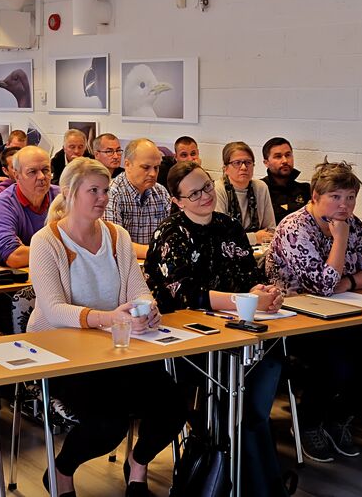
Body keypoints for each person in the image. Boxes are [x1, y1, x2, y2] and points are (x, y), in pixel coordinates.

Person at [28, 158, 187, 497]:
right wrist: (109, 318)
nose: (102, 198)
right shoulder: (46, 241)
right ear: (71, 194)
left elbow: (138, 288)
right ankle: (61, 470)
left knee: (174, 406)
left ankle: (138, 467)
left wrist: (148, 310)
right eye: (94, 191)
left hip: (115, 348)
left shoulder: (118, 236)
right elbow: (54, 310)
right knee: (109, 422)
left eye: (106, 190)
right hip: (61, 354)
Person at [144, 161, 287, 495]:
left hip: (235, 331)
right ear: (178, 201)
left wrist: (262, 292)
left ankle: (253, 477)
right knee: (234, 404)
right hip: (187, 341)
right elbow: (186, 295)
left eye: (207, 187)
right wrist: (242, 300)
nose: (205, 196)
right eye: (194, 193)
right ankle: (240, 476)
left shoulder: (228, 225)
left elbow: (249, 276)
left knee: (259, 389)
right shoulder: (170, 234)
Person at [265, 160, 362, 463]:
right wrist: (340, 241)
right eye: (335, 197)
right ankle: (309, 423)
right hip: (294, 320)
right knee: (337, 363)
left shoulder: (353, 223)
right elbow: (322, 285)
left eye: (350, 197)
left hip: (338, 314)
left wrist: (344, 281)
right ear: (315, 195)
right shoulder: (295, 228)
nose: (344, 205)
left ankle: (339, 418)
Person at [0, 146, 59, 268]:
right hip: (11, 281)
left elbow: (82, 243)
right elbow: (14, 257)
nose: (42, 176)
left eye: (46, 170)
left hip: (53, 272)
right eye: (32, 172)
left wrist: (27, 250)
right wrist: (60, 249)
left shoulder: (61, 197)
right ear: (16, 175)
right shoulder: (3, 204)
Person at [104, 138, 170, 259]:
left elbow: (169, 236)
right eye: (146, 167)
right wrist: (156, 252)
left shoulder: (161, 192)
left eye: (156, 168)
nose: (153, 174)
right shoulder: (111, 193)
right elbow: (114, 243)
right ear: (127, 165)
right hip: (124, 267)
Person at [214, 141, 276, 245]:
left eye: (248, 162)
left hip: (260, 251)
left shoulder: (261, 187)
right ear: (226, 169)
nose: (243, 167)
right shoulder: (218, 189)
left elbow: (270, 230)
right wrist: (254, 238)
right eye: (237, 163)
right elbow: (220, 237)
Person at [262, 137, 311, 225]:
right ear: (266, 162)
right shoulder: (260, 190)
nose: (285, 160)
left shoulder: (306, 190)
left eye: (288, 155)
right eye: (278, 156)